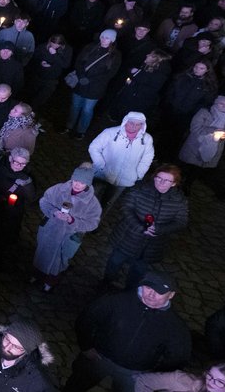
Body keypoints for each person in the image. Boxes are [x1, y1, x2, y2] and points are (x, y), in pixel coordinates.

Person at [56, 269, 193, 392]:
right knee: (74, 387)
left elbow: (178, 356)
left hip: (135, 372)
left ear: (171, 295)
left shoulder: (175, 326)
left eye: (158, 291)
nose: (150, 294)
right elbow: (87, 318)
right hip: (99, 358)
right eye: (147, 287)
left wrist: (153, 377)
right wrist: (87, 346)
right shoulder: (117, 300)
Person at [102, 165, 189, 290]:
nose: (162, 183)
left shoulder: (179, 200)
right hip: (128, 237)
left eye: (167, 180)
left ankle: (130, 291)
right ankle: (105, 284)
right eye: (159, 178)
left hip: (152, 245)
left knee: (139, 270)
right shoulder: (139, 190)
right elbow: (126, 208)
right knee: (115, 261)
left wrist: (159, 229)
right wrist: (140, 227)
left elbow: (181, 221)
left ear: (174, 184)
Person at [31, 164, 102, 292]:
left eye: (82, 182)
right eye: (76, 180)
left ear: (87, 184)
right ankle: (37, 275)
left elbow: (93, 222)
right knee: (42, 253)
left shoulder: (93, 203)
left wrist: (73, 221)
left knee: (60, 260)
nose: (77, 184)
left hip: (69, 236)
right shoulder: (58, 189)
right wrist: (53, 212)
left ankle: (50, 282)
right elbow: (44, 201)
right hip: (50, 229)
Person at [88, 112, 155, 209]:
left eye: (138, 124)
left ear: (142, 125)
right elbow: (94, 147)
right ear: (125, 121)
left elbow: (147, 158)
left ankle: (97, 222)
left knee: (107, 203)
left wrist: (138, 174)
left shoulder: (147, 139)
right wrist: (101, 164)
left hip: (124, 179)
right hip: (102, 174)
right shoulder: (110, 132)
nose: (134, 127)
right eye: (131, 123)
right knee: (89, 198)